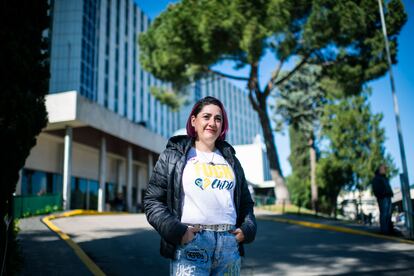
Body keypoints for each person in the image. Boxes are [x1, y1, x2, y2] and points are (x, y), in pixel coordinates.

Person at [144, 96, 256, 275]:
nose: (213, 122)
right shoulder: (173, 155)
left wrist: (247, 229)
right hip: (191, 245)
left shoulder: (231, 160)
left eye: (218, 119)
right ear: (194, 121)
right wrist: (178, 232)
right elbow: (153, 201)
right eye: (207, 116)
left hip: (229, 245)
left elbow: (246, 203)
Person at [372, 164, 394, 235]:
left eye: (385, 169)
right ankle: (384, 230)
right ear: (379, 170)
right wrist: (381, 195)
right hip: (382, 198)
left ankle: (388, 229)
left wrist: (390, 193)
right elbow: (376, 189)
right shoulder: (377, 178)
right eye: (383, 169)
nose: (385, 170)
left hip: (388, 197)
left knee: (389, 213)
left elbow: (388, 187)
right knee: (384, 213)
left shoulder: (385, 178)